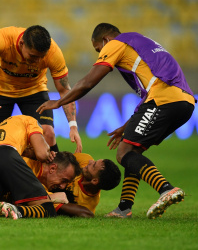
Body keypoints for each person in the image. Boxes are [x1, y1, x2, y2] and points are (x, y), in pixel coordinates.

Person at [37, 23, 196, 219]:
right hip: (184, 102)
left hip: (164, 99)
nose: (100, 54)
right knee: (134, 152)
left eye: (99, 50)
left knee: (123, 153)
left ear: (105, 41)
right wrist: (127, 126)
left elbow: (88, 81)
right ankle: (124, 208)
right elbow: (152, 90)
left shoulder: (116, 43)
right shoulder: (140, 43)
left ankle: (166, 189)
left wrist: (60, 101)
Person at [0, 25, 82, 153]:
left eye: (41, 57)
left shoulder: (53, 53)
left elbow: (65, 90)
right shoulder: (3, 38)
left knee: (48, 133)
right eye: (33, 56)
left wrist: (73, 126)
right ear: (21, 44)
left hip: (33, 90)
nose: (37, 61)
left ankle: (56, 171)